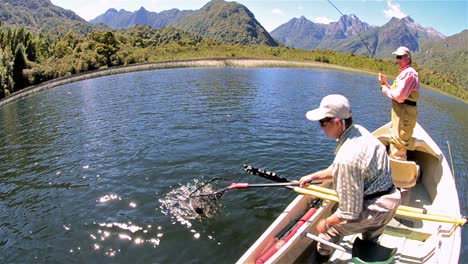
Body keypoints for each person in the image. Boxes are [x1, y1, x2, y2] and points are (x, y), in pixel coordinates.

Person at [299, 94, 400, 263]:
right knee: (370, 237)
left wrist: (325, 222)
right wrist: (314, 176)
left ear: (337, 122)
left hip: (374, 209)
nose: (321, 127)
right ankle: (369, 247)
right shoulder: (359, 131)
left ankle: (321, 259)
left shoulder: (346, 159)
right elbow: (342, 169)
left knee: (328, 232)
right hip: (391, 200)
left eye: (323, 123)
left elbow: (349, 212)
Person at [378, 46, 420, 161]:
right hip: (400, 116)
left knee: (399, 145)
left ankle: (398, 174)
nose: (397, 60)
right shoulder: (405, 73)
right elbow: (396, 92)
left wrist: (384, 89)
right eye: (397, 57)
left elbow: (399, 97)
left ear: (408, 58)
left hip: (404, 116)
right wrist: (385, 83)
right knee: (396, 141)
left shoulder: (409, 73)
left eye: (400, 57)